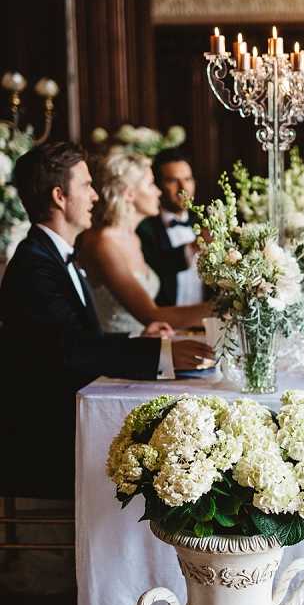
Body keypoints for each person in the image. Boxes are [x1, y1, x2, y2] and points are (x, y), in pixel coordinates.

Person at [0, 143, 211, 497]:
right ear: (59, 197)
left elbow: (77, 341)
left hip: (70, 411)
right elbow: (73, 353)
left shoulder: (53, 255)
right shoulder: (35, 266)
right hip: (48, 437)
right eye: (86, 185)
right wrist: (161, 354)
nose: (95, 196)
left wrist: (143, 342)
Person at [77, 150, 212, 335]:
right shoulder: (104, 244)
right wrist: (222, 307)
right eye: (150, 184)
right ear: (129, 194)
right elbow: (150, 315)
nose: (158, 191)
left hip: (150, 342)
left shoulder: (133, 238)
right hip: (118, 348)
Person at [137, 147, 203, 306]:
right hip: (164, 318)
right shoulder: (143, 227)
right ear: (158, 185)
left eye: (188, 179)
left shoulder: (204, 222)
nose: (183, 188)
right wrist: (194, 246)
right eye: (173, 180)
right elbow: (157, 266)